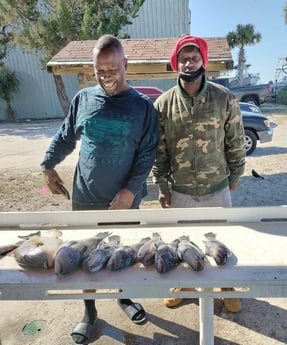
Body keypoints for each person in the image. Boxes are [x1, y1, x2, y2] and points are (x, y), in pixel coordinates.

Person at [41, 34, 159, 345]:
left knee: (124, 254)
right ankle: (90, 313)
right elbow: (66, 136)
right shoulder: (83, 99)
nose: (106, 76)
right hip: (84, 199)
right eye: (99, 70)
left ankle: (124, 298)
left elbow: (147, 154)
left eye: (112, 68)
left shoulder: (143, 108)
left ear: (126, 65)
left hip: (125, 202)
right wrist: (48, 164)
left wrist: (132, 191)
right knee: (82, 260)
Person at [152, 35, 246, 313]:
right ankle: (185, 286)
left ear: (203, 61)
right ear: (175, 63)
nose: (189, 62)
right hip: (180, 189)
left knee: (222, 241)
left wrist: (236, 173)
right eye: (183, 57)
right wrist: (161, 184)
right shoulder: (163, 104)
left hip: (216, 186)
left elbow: (236, 139)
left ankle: (226, 288)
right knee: (183, 240)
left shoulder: (224, 98)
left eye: (194, 57)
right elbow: (160, 150)